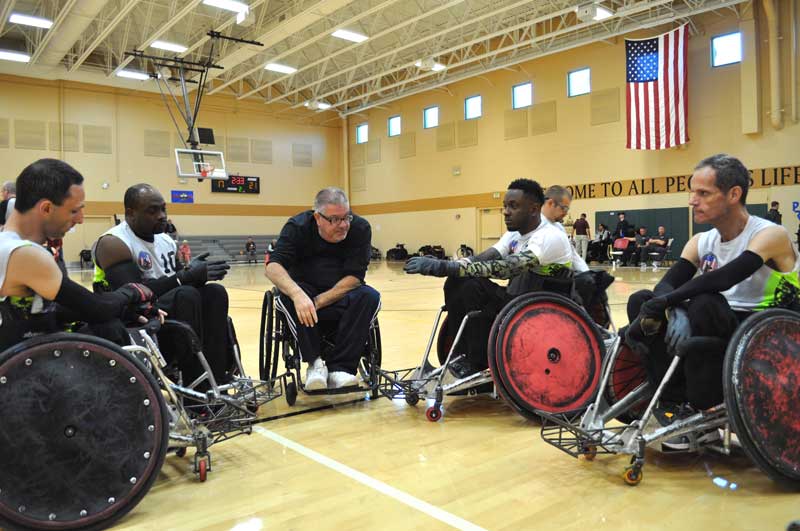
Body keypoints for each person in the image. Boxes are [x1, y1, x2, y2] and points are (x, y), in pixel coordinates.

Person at [626, 154, 799, 450]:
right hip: (723, 322)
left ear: (734, 194)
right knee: (642, 300)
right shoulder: (700, 241)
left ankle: (704, 409)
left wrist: (673, 303)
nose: (693, 200)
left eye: (703, 193)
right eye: (692, 192)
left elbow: (724, 279)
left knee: (705, 302)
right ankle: (675, 403)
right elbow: (667, 284)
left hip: (768, 333)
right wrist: (675, 307)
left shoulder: (770, 234)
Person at [404, 179, 572, 377]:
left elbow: (507, 269)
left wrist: (445, 267)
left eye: (513, 206)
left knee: (469, 284)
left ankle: (475, 363)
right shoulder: (515, 234)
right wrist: (450, 266)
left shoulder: (549, 236)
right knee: (459, 281)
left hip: (541, 309)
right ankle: (459, 357)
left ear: (534, 209)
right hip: (517, 300)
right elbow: (482, 259)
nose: (506, 212)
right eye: (505, 206)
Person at [0, 159, 158, 352]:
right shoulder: (23, 254)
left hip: (28, 355)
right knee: (109, 330)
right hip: (24, 370)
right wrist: (133, 291)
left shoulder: (12, 245)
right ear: (46, 208)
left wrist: (124, 309)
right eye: (74, 210)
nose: (81, 219)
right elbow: (98, 307)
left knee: (108, 326)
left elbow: (54, 312)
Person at [93, 184, 233, 384]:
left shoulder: (166, 240)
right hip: (132, 313)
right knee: (186, 294)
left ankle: (218, 379)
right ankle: (196, 390)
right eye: (152, 210)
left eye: (163, 209)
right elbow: (134, 293)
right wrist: (185, 276)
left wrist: (195, 274)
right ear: (130, 213)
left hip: (171, 305)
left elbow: (176, 277)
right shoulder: (113, 243)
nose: (161, 215)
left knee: (215, 292)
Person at [265, 187, 380, 390]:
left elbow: (355, 277)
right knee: (288, 298)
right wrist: (298, 295)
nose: (344, 225)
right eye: (335, 219)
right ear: (318, 217)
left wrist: (317, 302)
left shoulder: (360, 228)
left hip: (341, 293)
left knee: (370, 296)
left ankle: (342, 368)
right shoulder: (297, 226)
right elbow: (273, 267)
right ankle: (315, 364)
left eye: (347, 217)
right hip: (304, 289)